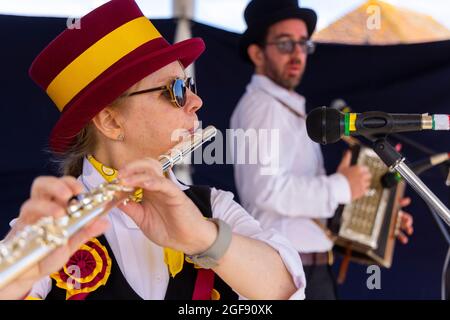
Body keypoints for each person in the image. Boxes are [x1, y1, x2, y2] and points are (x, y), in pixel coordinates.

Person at [8, 0, 306, 300]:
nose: (195, 101)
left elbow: (288, 290)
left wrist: (204, 237)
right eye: (175, 90)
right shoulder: (46, 226)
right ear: (111, 121)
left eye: (189, 85)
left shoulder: (214, 206)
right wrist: (15, 279)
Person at [231, 0, 414, 300]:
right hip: (287, 273)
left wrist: (379, 216)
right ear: (257, 53)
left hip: (307, 269)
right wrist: (342, 186)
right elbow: (265, 191)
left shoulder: (283, 107)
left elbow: (300, 209)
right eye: (285, 43)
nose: (297, 53)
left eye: (303, 44)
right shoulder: (262, 108)